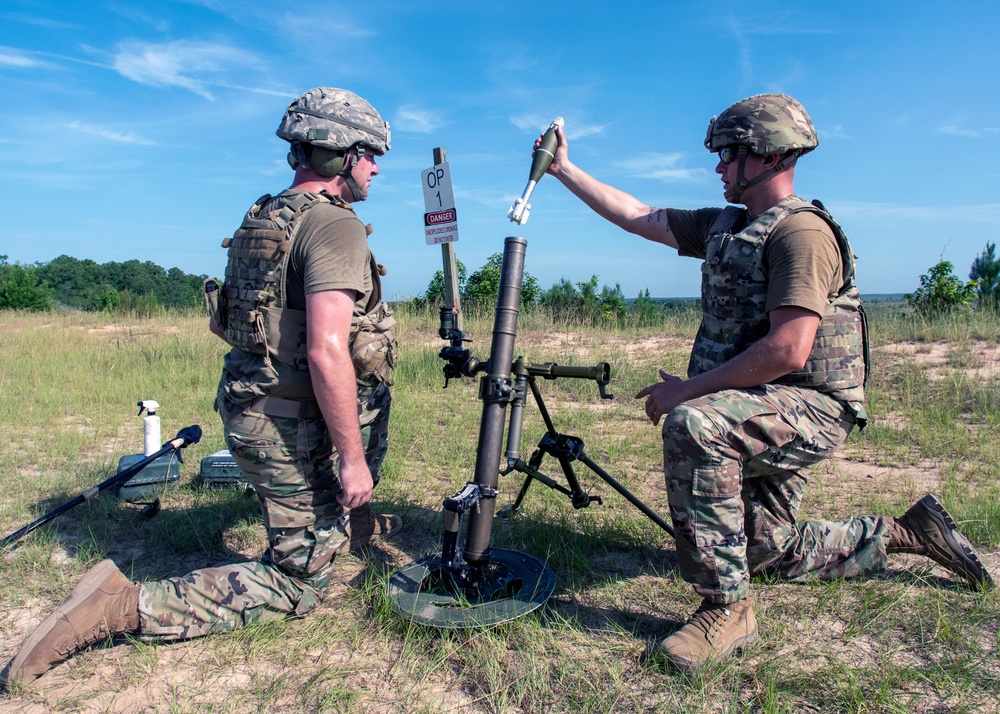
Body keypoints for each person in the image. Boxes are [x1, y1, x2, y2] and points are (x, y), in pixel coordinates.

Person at [537, 93, 995, 672]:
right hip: (760, 402)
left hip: (812, 407)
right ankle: (904, 534)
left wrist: (689, 391)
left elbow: (789, 347)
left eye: (727, 155)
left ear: (766, 157)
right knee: (761, 550)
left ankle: (725, 610)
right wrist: (565, 170)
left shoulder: (801, 233)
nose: (718, 167)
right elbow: (638, 216)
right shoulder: (727, 225)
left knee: (695, 427)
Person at [5, 87, 401, 685]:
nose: (377, 166)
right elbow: (325, 350)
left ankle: (329, 520)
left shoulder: (265, 217)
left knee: (325, 510)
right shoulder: (333, 227)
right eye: (370, 152)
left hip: (253, 407)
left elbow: (235, 323)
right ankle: (119, 605)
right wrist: (350, 458)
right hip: (287, 422)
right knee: (302, 583)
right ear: (336, 154)